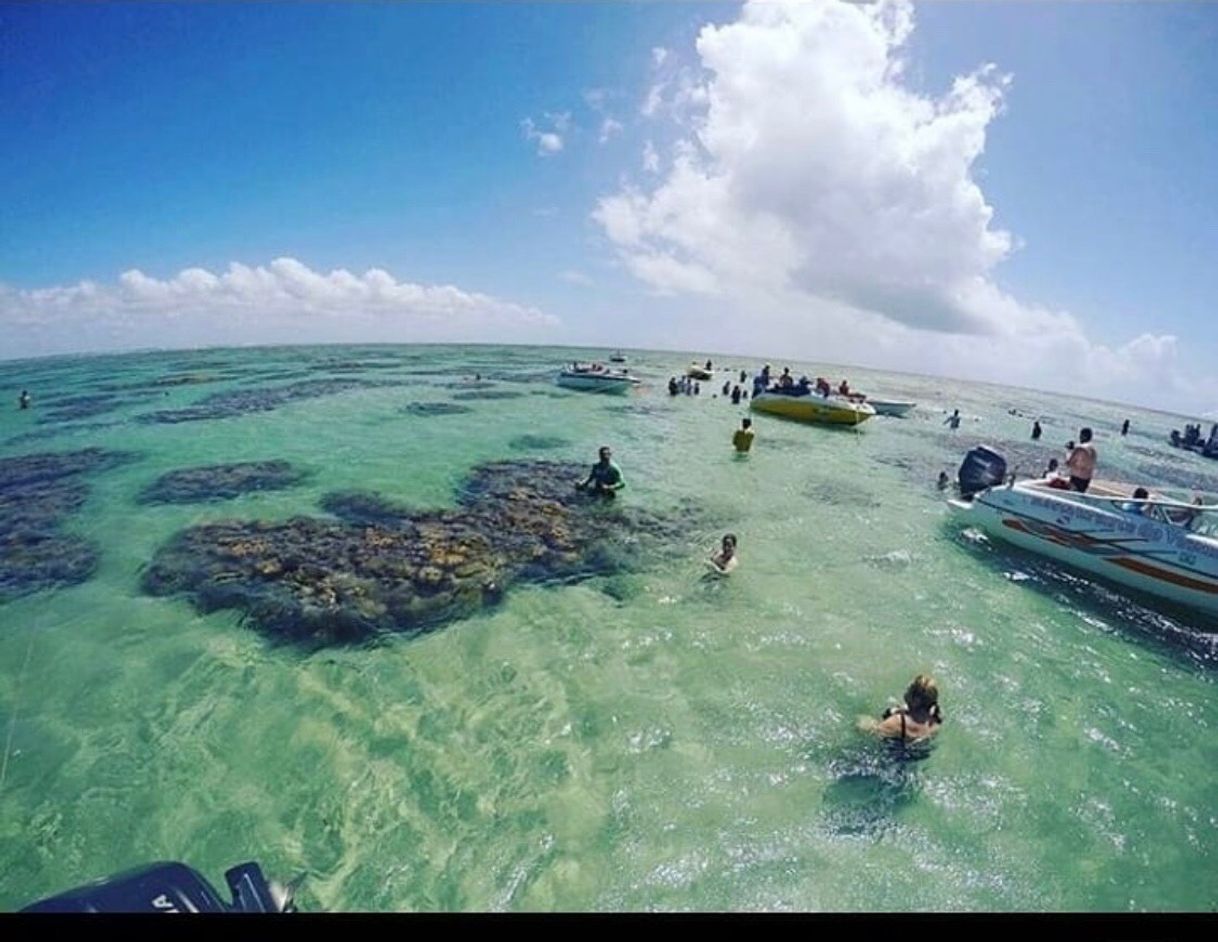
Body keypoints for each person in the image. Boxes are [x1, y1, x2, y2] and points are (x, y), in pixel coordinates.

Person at [857, 674, 943, 743]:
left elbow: (870, 733)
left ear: (915, 700)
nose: (906, 690)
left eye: (909, 689)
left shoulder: (897, 722)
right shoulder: (935, 721)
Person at [1065, 427, 1097, 493]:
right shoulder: (1093, 450)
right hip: (1086, 480)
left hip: (1076, 479)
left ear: (1083, 436)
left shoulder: (1079, 449)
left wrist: (1069, 451)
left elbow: (1068, 463)